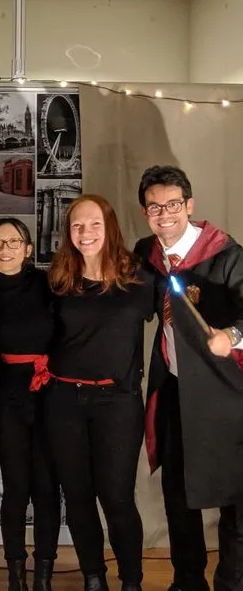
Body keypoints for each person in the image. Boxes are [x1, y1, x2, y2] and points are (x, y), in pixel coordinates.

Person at [133, 166, 243, 591]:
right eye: (154, 207)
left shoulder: (226, 255)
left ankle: (232, 583)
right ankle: (188, 581)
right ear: (145, 212)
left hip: (226, 393)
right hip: (176, 389)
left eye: (173, 204)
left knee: (235, 494)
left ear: (189, 205)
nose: (164, 214)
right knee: (178, 493)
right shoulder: (147, 255)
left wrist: (231, 336)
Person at [44, 194, 154, 591]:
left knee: (117, 496)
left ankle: (132, 582)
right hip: (64, 401)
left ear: (110, 228)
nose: (85, 232)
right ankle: (94, 577)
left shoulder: (140, 279)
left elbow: (179, 319)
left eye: (94, 224)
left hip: (118, 402)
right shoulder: (59, 280)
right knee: (77, 496)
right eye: (77, 225)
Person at [0, 218, 60, 591]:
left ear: (28, 249)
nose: (5, 249)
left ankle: (44, 575)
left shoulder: (47, 284)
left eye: (14, 241)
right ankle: (16, 574)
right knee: (16, 485)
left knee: (46, 485)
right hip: (5, 394)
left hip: (48, 390)